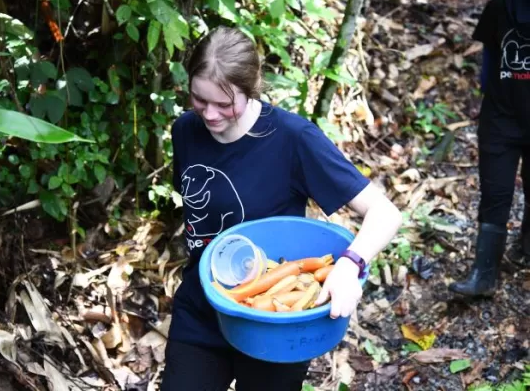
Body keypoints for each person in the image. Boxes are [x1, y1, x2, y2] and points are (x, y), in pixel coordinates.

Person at [160, 26, 403, 391]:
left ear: (253, 85)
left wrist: (351, 265)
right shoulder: (185, 130)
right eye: (199, 99)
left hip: (275, 323)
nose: (209, 114)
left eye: (225, 103)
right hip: (202, 310)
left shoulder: (293, 139)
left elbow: (385, 213)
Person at [449, 0, 530, 298]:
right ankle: (484, 275)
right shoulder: (500, 6)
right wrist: (494, 95)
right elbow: (491, 59)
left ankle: (527, 247)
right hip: (501, 118)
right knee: (495, 192)